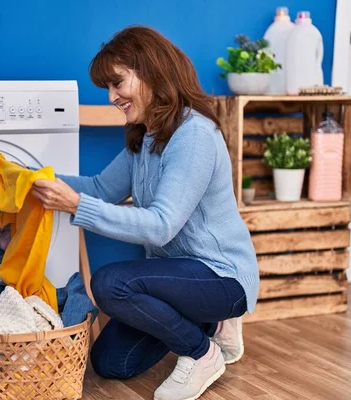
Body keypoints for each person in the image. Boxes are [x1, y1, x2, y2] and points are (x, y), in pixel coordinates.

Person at [31, 25, 259, 400]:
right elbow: (101, 188)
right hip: (175, 280)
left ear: (151, 72)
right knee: (110, 363)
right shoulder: (146, 136)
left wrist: (74, 205)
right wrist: (36, 179)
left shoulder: (194, 136)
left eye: (117, 84)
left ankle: (203, 353)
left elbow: (161, 227)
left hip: (220, 276)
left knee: (109, 283)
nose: (111, 97)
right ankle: (212, 325)